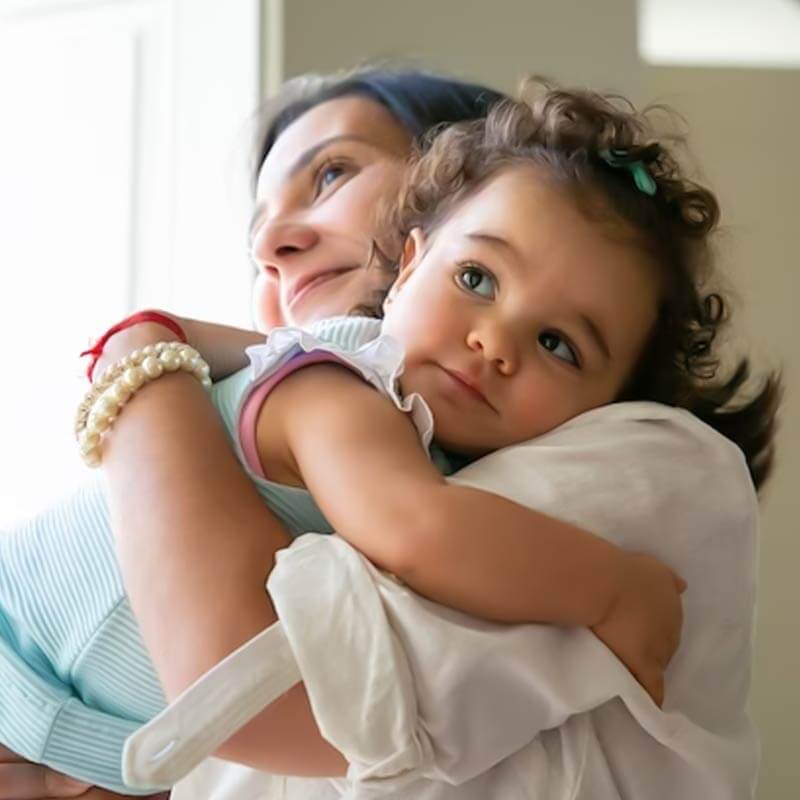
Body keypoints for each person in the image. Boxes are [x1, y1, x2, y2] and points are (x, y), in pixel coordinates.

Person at [0, 69, 777, 800]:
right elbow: (416, 529)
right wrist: (610, 586)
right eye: (476, 279)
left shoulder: (629, 461)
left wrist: (148, 339)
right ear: (408, 266)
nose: (497, 341)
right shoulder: (341, 385)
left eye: (559, 345)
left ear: (603, 407)